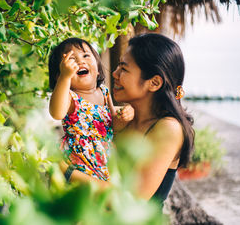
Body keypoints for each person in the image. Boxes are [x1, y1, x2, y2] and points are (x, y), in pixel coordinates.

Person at [60, 33, 195, 203]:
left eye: (124, 69)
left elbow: (130, 200)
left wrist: (66, 172)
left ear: (154, 83)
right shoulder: (122, 119)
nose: (115, 74)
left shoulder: (168, 129)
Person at [48, 38, 133, 182]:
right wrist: (65, 77)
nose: (80, 61)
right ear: (59, 76)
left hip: (104, 159)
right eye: (71, 59)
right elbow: (56, 113)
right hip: (78, 161)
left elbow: (113, 125)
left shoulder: (104, 92)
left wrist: (126, 115)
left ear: (98, 70)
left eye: (86, 55)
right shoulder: (70, 97)